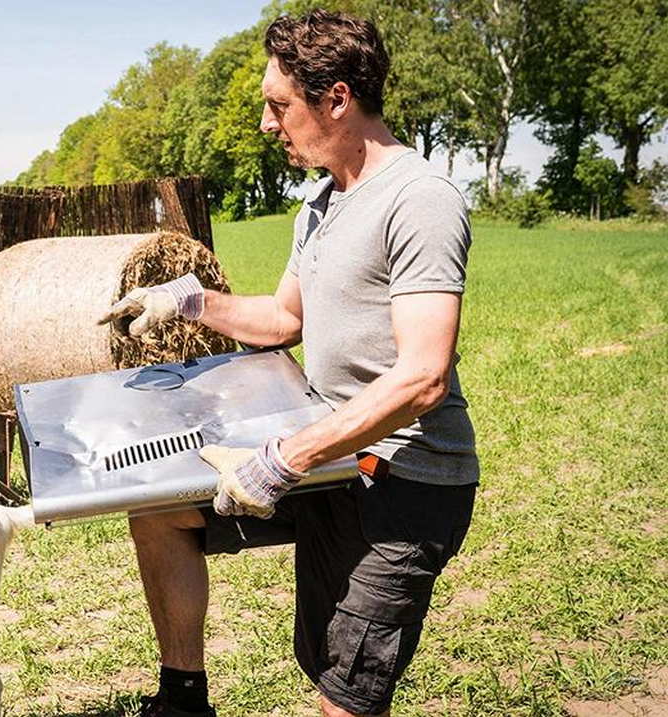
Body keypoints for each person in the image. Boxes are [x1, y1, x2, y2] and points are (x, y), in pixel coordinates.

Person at [101, 10, 478, 717]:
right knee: (158, 511)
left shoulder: (420, 199)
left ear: (336, 98)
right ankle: (184, 696)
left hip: (403, 477)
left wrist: (285, 458)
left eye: (280, 106)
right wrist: (186, 301)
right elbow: (283, 320)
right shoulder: (322, 204)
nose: (270, 125)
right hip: (329, 458)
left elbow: (424, 377)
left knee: (345, 698)